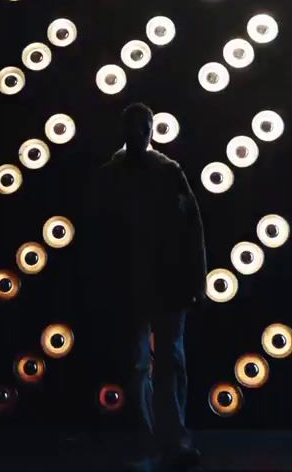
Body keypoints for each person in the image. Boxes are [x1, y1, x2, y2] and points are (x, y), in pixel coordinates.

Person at [85, 103, 207, 471]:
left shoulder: (164, 172)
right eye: (135, 127)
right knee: (149, 363)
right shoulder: (125, 175)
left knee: (162, 361)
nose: (139, 134)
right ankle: (158, 443)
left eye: (143, 127)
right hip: (138, 283)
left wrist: (196, 280)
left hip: (159, 282)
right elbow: (97, 235)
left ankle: (166, 442)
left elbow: (192, 229)